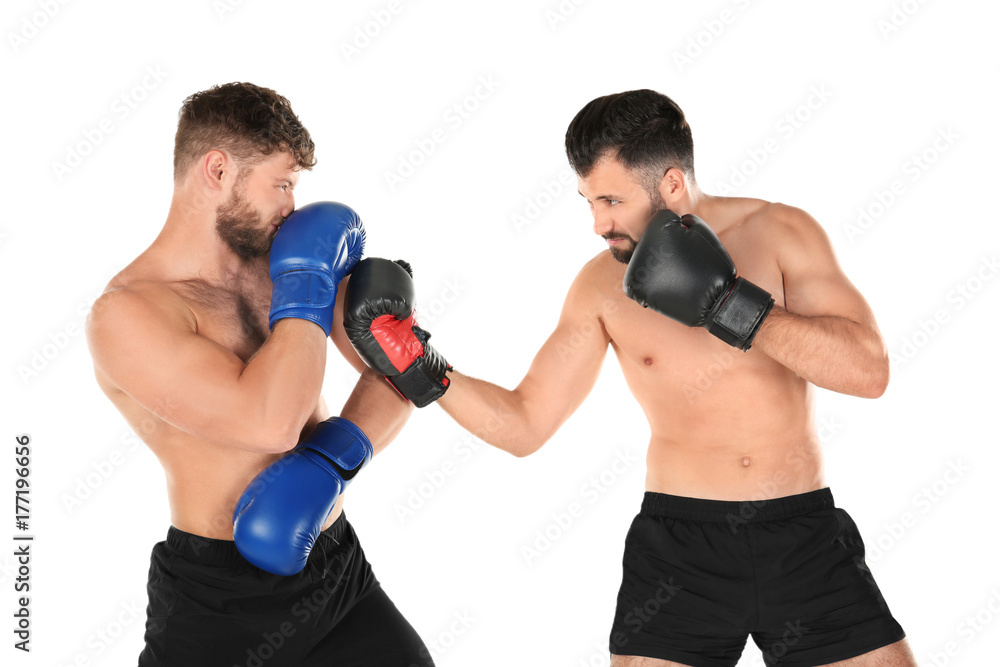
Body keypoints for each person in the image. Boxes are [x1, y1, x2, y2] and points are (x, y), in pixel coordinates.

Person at [342, 89, 917, 666]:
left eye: (611, 200)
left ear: (670, 185)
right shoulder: (599, 287)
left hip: (803, 535)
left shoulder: (782, 231)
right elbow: (525, 424)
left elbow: (868, 372)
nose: (598, 223)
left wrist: (731, 305)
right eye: (588, 201)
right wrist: (423, 366)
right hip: (679, 550)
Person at [85, 82, 432, 666]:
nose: (292, 208)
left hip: (336, 568)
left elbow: (407, 372)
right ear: (217, 170)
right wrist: (306, 288)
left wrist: (332, 462)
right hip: (219, 607)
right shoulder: (129, 314)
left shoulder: (283, 265)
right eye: (282, 184)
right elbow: (269, 423)